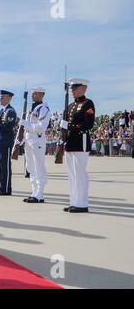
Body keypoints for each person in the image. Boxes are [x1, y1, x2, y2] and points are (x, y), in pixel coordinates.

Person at [59, 78, 95, 213]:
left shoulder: (88, 103)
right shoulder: (69, 107)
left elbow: (88, 124)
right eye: (72, 89)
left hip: (81, 142)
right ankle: (74, 201)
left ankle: (82, 203)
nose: (72, 91)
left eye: (75, 88)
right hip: (70, 142)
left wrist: (70, 126)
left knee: (80, 173)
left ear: (84, 89)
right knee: (72, 174)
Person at [18, 87, 52, 203]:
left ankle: (40, 193)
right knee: (30, 167)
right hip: (28, 140)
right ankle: (34, 191)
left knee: (39, 166)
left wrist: (26, 125)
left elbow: (41, 127)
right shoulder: (30, 109)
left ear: (41, 95)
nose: (32, 95)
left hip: (37, 140)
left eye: (34, 94)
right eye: (32, 94)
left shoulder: (44, 109)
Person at [0, 90, 17, 196]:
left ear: (9, 98)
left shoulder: (10, 111)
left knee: (5, 166)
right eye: (0, 97)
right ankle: (2, 187)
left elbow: (7, 127)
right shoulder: (1, 111)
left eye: (2, 97)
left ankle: (6, 188)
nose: (0, 99)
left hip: (5, 142)